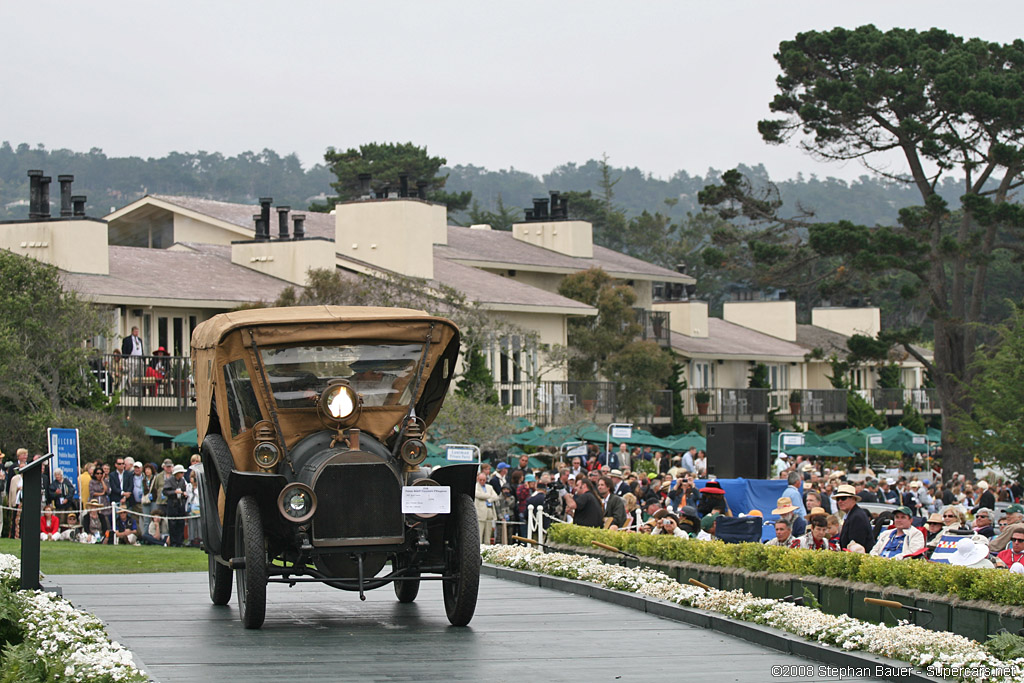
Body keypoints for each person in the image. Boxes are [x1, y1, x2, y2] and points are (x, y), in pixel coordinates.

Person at [835, 484, 874, 550]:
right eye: (838, 499)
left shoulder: (857, 517)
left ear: (853, 499)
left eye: (843, 498)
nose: (840, 501)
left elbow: (856, 545)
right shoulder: (852, 514)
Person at [163, 464, 188, 547]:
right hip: (172, 505)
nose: (182, 474)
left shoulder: (182, 481)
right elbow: (165, 492)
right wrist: (174, 492)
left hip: (180, 505)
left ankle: (180, 542)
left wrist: (184, 494)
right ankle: (173, 542)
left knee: (181, 524)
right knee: (172, 525)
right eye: (181, 473)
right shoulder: (169, 481)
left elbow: (184, 490)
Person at [474, 471, 498, 544]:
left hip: (490, 512)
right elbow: (478, 495)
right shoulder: (475, 486)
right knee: (480, 533)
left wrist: (489, 499)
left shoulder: (489, 487)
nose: (482, 481)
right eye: (480, 480)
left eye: (483, 480)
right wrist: (488, 496)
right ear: (478, 479)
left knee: (488, 533)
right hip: (480, 513)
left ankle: (487, 547)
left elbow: (495, 496)